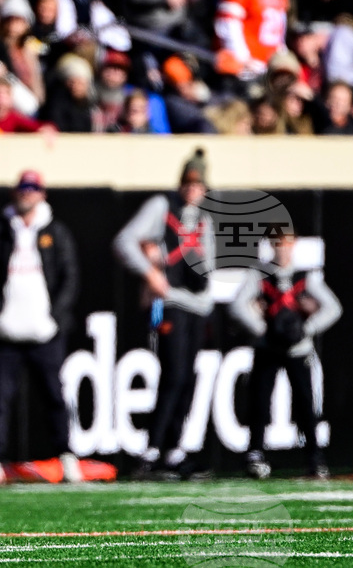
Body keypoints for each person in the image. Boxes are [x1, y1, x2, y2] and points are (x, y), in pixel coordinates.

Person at [0, 170, 81, 486]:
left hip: (44, 332)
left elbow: (69, 277)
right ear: (14, 192)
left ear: (42, 194)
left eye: (34, 188)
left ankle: (65, 455)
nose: (27, 193)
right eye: (23, 187)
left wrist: (54, 318)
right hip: (6, 331)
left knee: (54, 397)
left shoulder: (56, 231)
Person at [113, 149, 215, 479]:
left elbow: (210, 264)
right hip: (170, 301)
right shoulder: (162, 207)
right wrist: (150, 271)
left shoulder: (205, 217)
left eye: (198, 183)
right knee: (173, 375)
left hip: (197, 304)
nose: (192, 189)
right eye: (188, 182)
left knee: (186, 379)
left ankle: (174, 449)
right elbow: (125, 241)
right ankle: (153, 450)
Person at [230, 231, 342, 479]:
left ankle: (314, 456)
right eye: (278, 244)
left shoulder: (304, 277)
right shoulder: (260, 275)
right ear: (271, 247)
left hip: (297, 349)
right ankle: (255, 453)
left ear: (294, 246)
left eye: (287, 244)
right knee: (260, 401)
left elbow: (333, 308)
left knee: (305, 402)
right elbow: (237, 306)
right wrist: (261, 329)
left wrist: (307, 328)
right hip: (268, 347)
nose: (283, 249)